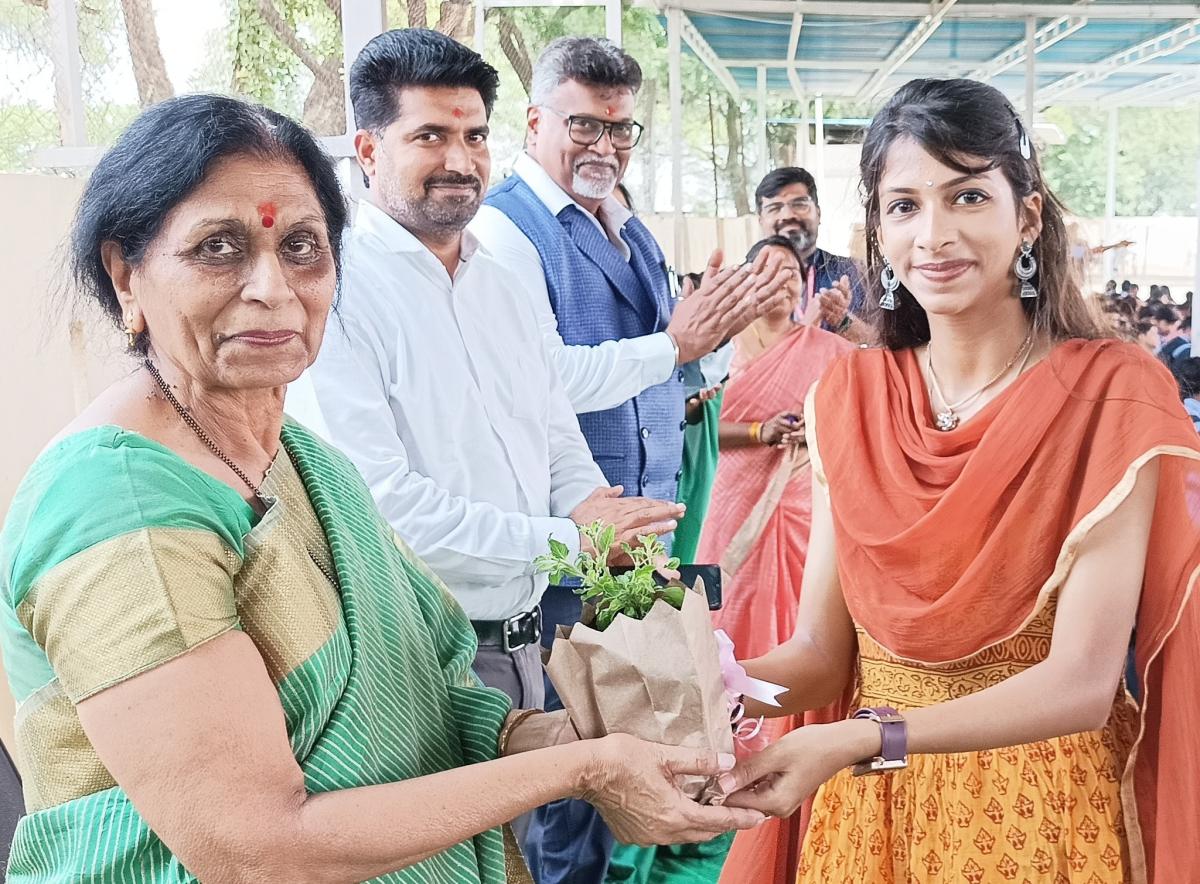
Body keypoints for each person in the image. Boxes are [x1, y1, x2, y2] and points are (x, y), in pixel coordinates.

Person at [0, 94, 765, 883]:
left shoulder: (306, 463)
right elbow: (259, 849)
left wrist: (595, 737)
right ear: (125, 277)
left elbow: (442, 702)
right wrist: (583, 768)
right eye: (218, 248)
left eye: (302, 246)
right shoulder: (115, 506)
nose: (272, 287)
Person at [715, 78, 1200, 883]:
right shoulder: (850, 396)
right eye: (904, 206)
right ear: (879, 231)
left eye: (968, 195)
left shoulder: (1111, 394)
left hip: (1039, 812)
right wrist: (706, 691)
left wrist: (870, 737)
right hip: (868, 814)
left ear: (1028, 216)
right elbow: (822, 656)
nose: (934, 235)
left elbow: (1082, 682)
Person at [285, 30, 679, 751]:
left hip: (531, 645)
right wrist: (574, 542)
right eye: (430, 136)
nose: (461, 161)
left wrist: (604, 522)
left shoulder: (500, 280)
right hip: (415, 659)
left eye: (474, 136)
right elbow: (385, 509)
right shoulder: (336, 293)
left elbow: (556, 438)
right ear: (368, 150)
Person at [471, 36, 793, 884]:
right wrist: (673, 344)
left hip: (637, 536)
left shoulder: (628, 227)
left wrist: (708, 342)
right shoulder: (504, 231)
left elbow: (674, 366)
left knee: (630, 745)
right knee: (567, 766)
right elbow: (542, 381)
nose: (605, 147)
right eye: (584, 125)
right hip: (565, 538)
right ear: (534, 122)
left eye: (621, 130)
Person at [692, 235, 851, 884]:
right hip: (728, 500)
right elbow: (692, 422)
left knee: (792, 618)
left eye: (793, 273)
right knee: (724, 614)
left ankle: (774, 747)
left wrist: (808, 433)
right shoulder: (717, 348)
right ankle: (708, 749)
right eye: (768, 269)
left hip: (797, 502)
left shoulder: (830, 351)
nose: (782, 281)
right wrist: (761, 431)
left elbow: (854, 411)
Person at [753, 167, 870, 344]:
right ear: (761, 220)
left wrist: (842, 319)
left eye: (799, 204)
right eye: (774, 208)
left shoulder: (855, 273)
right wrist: (806, 328)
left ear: (818, 214)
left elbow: (880, 343)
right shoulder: (745, 281)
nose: (787, 215)